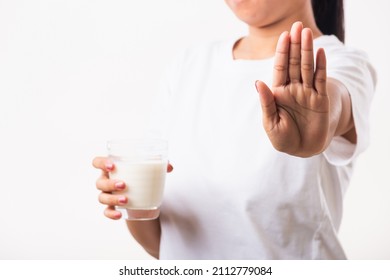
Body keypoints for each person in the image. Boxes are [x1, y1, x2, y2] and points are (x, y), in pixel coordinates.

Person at [92, 0, 376, 259]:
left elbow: (335, 101)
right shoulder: (187, 67)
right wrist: (133, 200)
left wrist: (319, 126)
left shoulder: (341, 63)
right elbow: (163, 245)